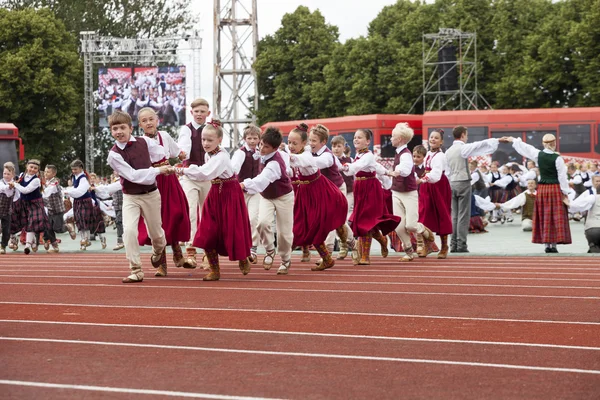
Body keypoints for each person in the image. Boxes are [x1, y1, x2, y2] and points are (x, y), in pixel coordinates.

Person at [175, 120, 252, 280]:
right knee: (207, 230)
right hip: (215, 191)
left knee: (232, 229)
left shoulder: (222, 156)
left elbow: (205, 173)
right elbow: (206, 174)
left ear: (219, 140)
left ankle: (243, 257)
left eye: (210, 140)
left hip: (230, 193)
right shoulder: (208, 154)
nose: (205, 143)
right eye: (203, 139)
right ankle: (214, 269)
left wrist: (181, 170)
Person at [106, 110, 170, 283]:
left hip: (151, 194)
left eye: (122, 128)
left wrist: (173, 159)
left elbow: (162, 153)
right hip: (131, 197)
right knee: (129, 231)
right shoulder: (113, 155)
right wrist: (158, 170)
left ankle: (158, 251)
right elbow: (132, 175)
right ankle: (136, 269)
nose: (118, 132)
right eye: (114, 129)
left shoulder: (145, 142)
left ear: (130, 128)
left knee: (157, 234)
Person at [288, 124, 350, 271]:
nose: (290, 146)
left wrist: (280, 156)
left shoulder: (310, 155)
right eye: (289, 142)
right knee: (307, 225)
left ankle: (347, 243)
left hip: (321, 190)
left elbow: (306, 161)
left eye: (294, 143)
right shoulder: (305, 152)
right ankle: (327, 257)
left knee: (326, 223)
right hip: (306, 192)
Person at [137, 107, 190, 276]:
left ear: (157, 120)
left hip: (169, 179)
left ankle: (176, 249)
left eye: (151, 119)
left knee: (176, 213)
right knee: (157, 221)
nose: (148, 123)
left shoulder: (165, 136)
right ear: (140, 125)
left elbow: (176, 152)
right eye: (144, 121)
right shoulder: (139, 142)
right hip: (152, 181)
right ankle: (161, 263)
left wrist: (182, 154)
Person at [341, 129, 400, 265]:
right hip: (360, 188)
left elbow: (358, 166)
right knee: (364, 222)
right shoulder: (359, 155)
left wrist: (347, 166)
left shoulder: (367, 155)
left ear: (368, 141)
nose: (356, 139)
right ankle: (382, 240)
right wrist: (387, 172)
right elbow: (376, 166)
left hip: (370, 189)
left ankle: (365, 257)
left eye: (359, 137)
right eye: (355, 137)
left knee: (365, 222)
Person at [241, 127, 294, 275]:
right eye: (261, 144)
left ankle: (285, 259)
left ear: (275, 148)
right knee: (262, 223)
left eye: (266, 147)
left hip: (284, 197)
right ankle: (270, 250)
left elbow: (261, 181)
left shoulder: (274, 164)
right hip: (266, 196)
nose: (262, 148)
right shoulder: (262, 153)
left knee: (284, 232)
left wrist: (244, 184)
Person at [505, 134, 571, 253]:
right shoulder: (558, 158)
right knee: (555, 216)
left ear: (543, 143)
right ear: (554, 143)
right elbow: (562, 177)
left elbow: (525, 147)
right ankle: (554, 245)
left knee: (545, 215)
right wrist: (565, 192)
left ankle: (546, 244)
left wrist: (513, 140)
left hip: (543, 189)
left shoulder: (538, 154)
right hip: (555, 189)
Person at [445, 126, 503, 253]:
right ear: (463, 135)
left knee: (454, 215)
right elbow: (478, 145)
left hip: (451, 183)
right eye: (466, 135)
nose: (467, 137)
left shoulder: (448, 151)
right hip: (463, 182)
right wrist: (497, 140)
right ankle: (461, 245)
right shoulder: (463, 148)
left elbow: (447, 171)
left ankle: (453, 244)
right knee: (463, 215)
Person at [388, 123, 434, 261]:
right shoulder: (397, 153)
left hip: (409, 193)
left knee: (411, 225)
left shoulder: (406, 155)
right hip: (396, 192)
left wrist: (398, 171)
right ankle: (409, 251)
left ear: (400, 139)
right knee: (399, 225)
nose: (391, 139)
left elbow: (406, 169)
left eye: (393, 136)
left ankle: (424, 231)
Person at [309, 124, 354, 260]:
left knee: (333, 220)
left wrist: (301, 160)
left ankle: (331, 249)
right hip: (323, 190)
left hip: (336, 189)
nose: (311, 143)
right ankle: (352, 244)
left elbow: (319, 163)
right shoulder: (310, 151)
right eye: (310, 140)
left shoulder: (327, 156)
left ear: (323, 142)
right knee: (329, 220)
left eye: (314, 141)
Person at [177, 98, 211, 268]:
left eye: (202, 111)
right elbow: (183, 148)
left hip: (207, 177)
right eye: (196, 111)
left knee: (208, 213)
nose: (199, 114)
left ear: (208, 113)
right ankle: (191, 252)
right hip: (189, 175)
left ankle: (207, 252)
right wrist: (182, 154)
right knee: (191, 212)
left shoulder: (212, 130)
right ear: (192, 113)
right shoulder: (186, 129)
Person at [418, 129, 453, 259]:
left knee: (442, 214)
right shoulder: (427, 154)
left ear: (441, 142)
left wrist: (422, 179)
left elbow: (436, 174)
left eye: (436, 138)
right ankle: (428, 245)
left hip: (438, 186)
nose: (433, 139)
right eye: (431, 137)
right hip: (427, 186)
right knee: (424, 214)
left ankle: (444, 247)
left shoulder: (440, 156)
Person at [231, 124, 262, 264]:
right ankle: (239, 247)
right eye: (249, 138)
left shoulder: (261, 152)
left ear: (259, 139)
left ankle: (253, 248)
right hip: (240, 191)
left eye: (255, 138)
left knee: (253, 219)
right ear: (244, 139)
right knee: (239, 221)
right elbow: (234, 168)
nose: (252, 141)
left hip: (255, 191)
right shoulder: (240, 153)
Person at [9, 159, 50, 254]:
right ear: (27, 167)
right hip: (24, 203)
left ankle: (27, 245)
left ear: (38, 170)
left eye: (35, 168)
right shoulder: (21, 176)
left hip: (35, 203)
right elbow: (17, 187)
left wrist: (15, 184)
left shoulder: (36, 180)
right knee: (26, 224)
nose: (32, 169)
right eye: (31, 167)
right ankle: (33, 242)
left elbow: (25, 190)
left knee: (32, 223)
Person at [63, 160, 107, 251]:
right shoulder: (74, 177)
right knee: (80, 220)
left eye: (75, 169)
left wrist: (68, 192)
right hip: (78, 201)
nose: (74, 171)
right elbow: (75, 189)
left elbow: (80, 191)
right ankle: (84, 240)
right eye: (72, 169)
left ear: (81, 168)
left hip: (87, 201)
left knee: (88, 220)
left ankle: (100, 239)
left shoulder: (83, 178)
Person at [569, 175, 600, 253]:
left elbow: (576, 206)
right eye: (597, 181)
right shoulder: (588, 192)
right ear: (592, 182)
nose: (598, 183)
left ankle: (593, 247)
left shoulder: (592, 197)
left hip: (593, 226)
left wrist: (568, 205)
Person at [42, 165, 66, 253]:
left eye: (48, 172)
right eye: (45, 171)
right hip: (50, 209)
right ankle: (55, 246)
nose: (45, 174)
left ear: (54, 173)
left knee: (57, 228)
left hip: (57, 209)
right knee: (49, 228)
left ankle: (68, 226)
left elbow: (47, 193)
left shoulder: (55, 182)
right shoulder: (46, 182)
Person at [332, 136, 354, 220]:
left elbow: (354, 175)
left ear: (344, 148)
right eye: (334, 147)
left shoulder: (350, 160)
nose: (336, 149)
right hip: (336, 191)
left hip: (349, 191)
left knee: (346, 211)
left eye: (339, 146)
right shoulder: (331, 160)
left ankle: (346, 231)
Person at [0, 162, 17, 254]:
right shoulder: (1, 182)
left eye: (8, 174)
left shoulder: (15, 184)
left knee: (6, 230)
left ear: (12, 174)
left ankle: (3, 246)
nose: (6, 175)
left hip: (7, 210)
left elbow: (16, 196)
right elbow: (2, 188)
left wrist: (13, 186)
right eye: (4, 173)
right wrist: (9, 186)